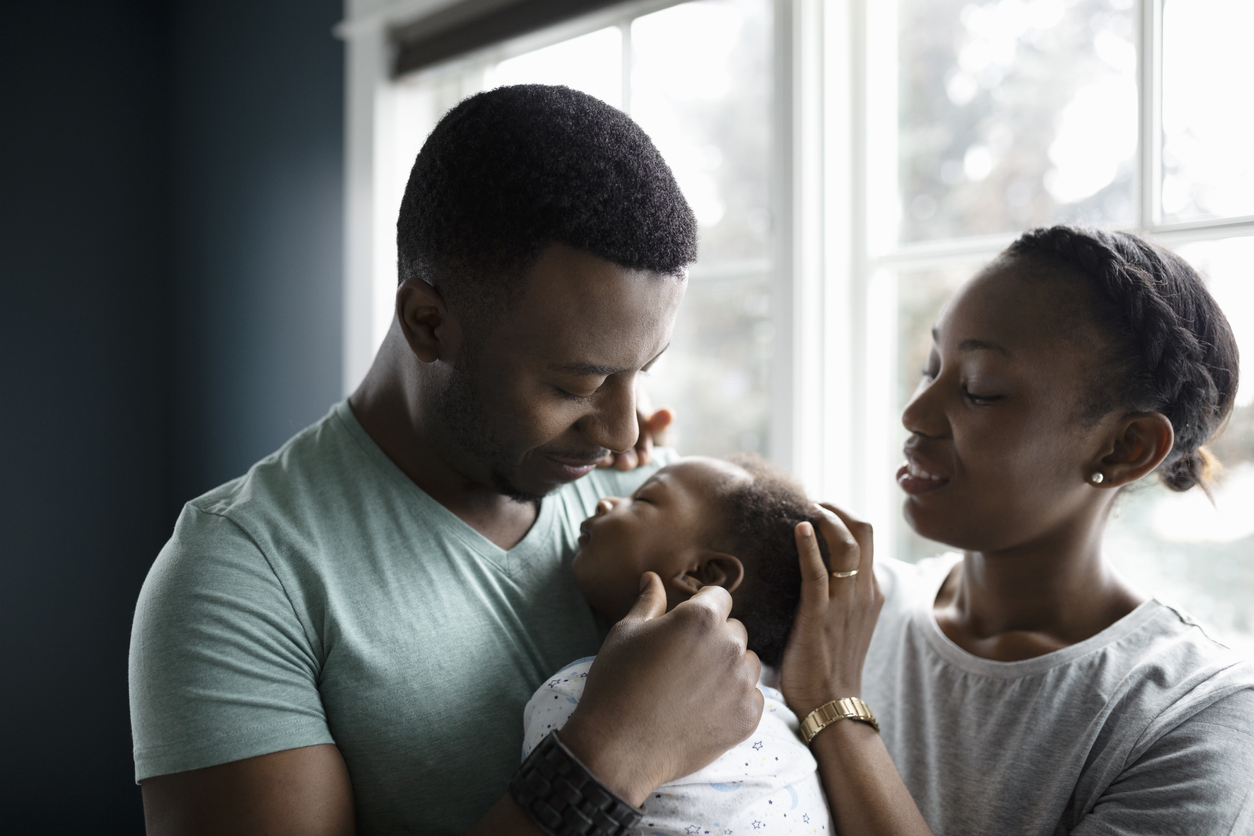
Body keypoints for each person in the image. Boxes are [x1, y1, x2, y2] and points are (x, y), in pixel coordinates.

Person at [128, 85, 765, 836]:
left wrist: (834, 699)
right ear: (428, 323)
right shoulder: (242, 576)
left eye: (642, 370)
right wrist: (608, 757)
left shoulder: (656, 498)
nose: (621, 428)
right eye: (575, 383)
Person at [778, 225, 1254, 835]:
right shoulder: (837, 610)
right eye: (931, 369)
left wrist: (833, 707)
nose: (915, 414)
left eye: (980, 390)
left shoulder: (1193, 720)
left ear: (1127, 446)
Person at [523, 455, 836, 835]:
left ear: (703, 574)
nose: (606, 501)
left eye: (643, 500)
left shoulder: (575, 698)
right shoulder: (786, 723)